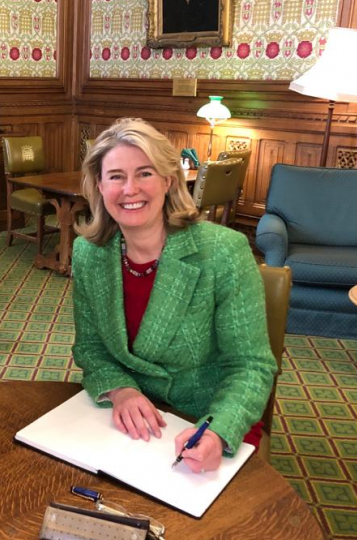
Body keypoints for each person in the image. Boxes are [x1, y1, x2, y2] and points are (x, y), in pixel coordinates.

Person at [71, 118, 276, 474]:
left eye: (145, 173)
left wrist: (218, 430)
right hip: (129, 415)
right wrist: (121, 391)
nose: (130, 189)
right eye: (116, 176)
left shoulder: (223, 251)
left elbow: (250, 366)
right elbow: (90, 348)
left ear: (168, 180)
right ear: (99, 186)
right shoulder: (88, 253)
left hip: (207, 417)